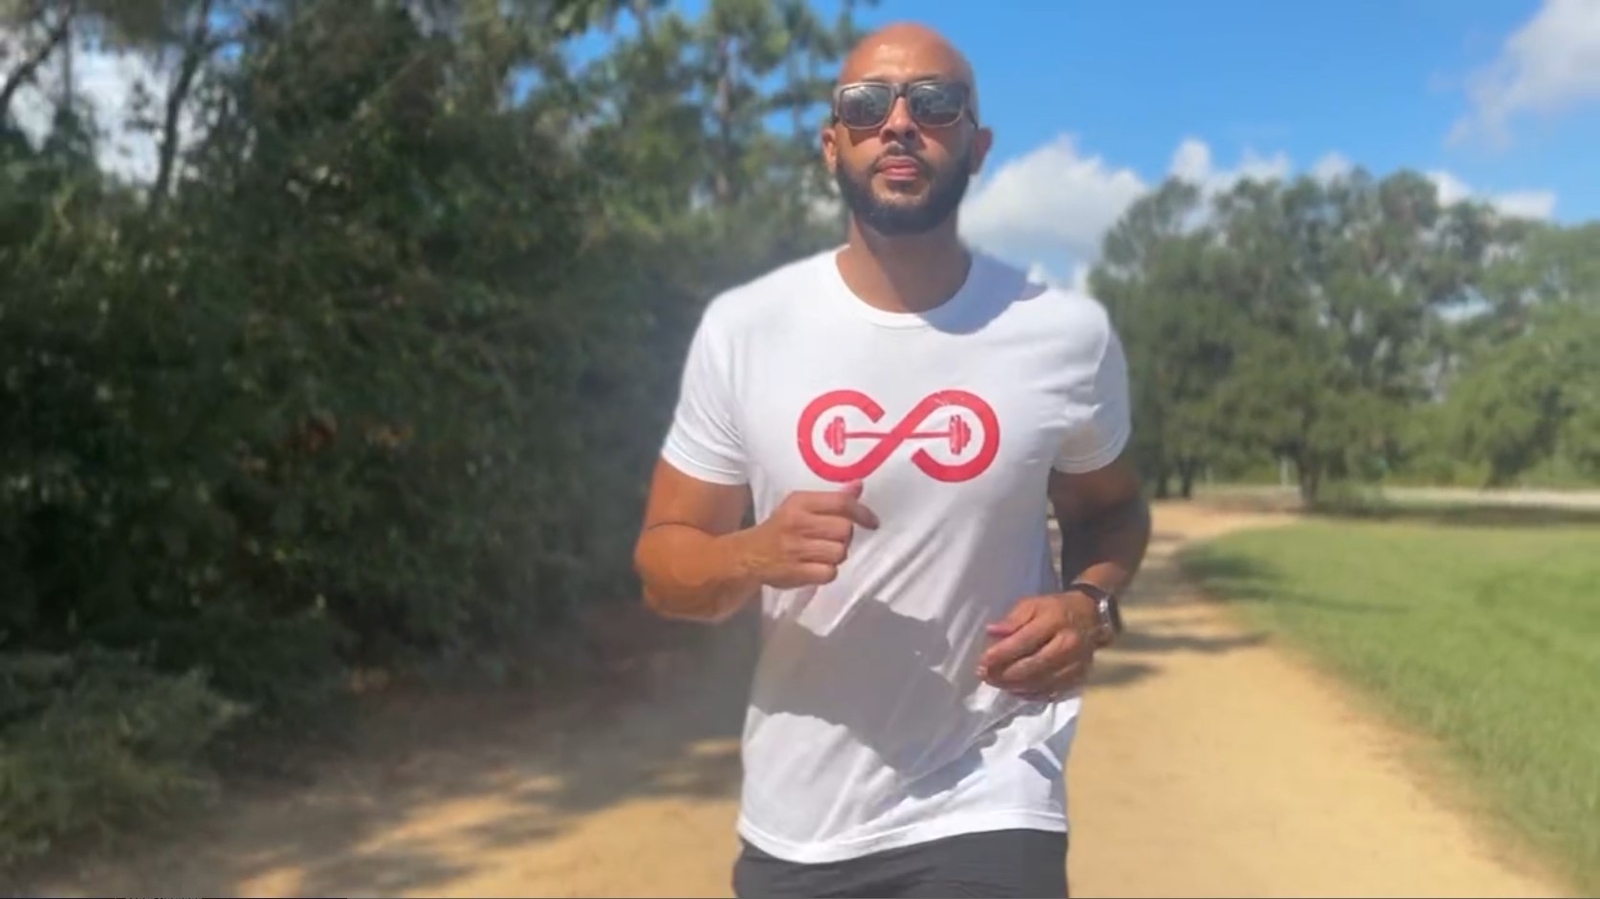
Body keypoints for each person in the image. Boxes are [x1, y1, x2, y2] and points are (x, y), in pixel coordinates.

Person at [631, 20, 1151, 899]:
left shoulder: (1065, 334)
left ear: (977, 146)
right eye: (868, 104)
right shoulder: (745, 329)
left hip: (992, 791)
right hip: (800, 818)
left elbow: (1111, 509)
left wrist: (1089, 603)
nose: (900, 122)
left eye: (935, 103)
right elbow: (663, 564)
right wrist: (751, 553)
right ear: (832, 145)